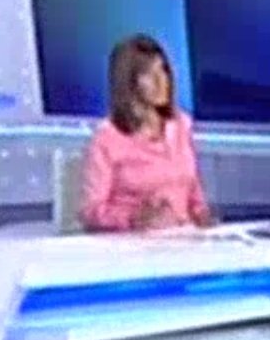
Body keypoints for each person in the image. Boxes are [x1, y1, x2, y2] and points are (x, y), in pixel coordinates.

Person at [78, 34, 215, 233]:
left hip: (184, 239)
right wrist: (133, 219)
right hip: (132, 244)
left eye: (163, 70)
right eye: (149, 74)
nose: (162, 81)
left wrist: (202, 214)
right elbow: (90, 213)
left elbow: (193, 192)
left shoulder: (181, 125)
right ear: (128, 82)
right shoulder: (107, 137)